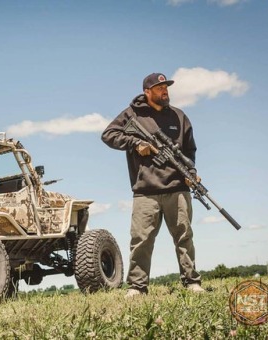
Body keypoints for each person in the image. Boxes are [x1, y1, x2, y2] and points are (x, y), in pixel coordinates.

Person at [101, 72, 204, 297]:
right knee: (141, 241)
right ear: (147, 92)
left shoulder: (179, 116)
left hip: (177, 188)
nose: (165, 91)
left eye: (166, 87)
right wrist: (135, 142)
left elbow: (189, 151)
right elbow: (108, 135)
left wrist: (191, 172)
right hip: (145, 191)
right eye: (159, 88)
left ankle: (191, 282)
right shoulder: (133, 114)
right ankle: (137, 287)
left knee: (184, 237)